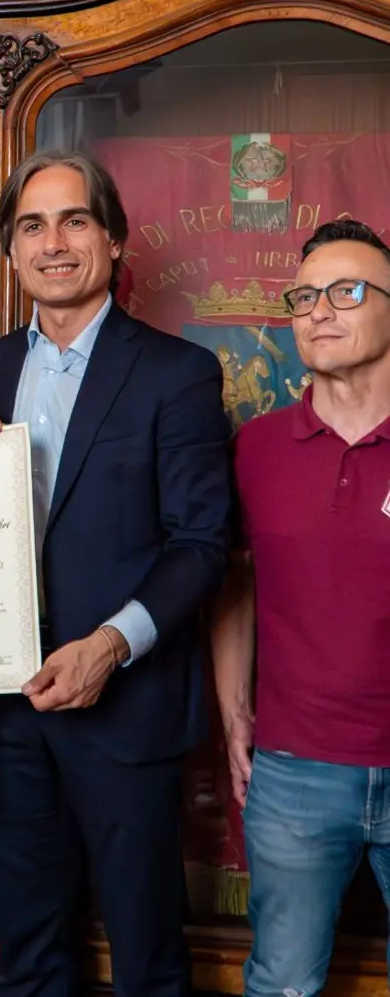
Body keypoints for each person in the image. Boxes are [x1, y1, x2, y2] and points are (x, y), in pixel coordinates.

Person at [0, 152, 233, 997]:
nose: (54, 242)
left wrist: (111, 645)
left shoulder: (175, 372)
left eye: (74, 220)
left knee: (145, 954)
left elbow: (202, 543)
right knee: (30, 947)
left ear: (111, 240)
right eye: (31, 226)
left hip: (125, 706)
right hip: (9, 704)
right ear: (10, 252)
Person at [211, 219, 390, 997]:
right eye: (304, 296)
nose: (319, 310)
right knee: (282, 983)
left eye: (346, 291)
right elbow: (232, 585)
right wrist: (233, 712)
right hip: (293, 771)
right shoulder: (254, 446)